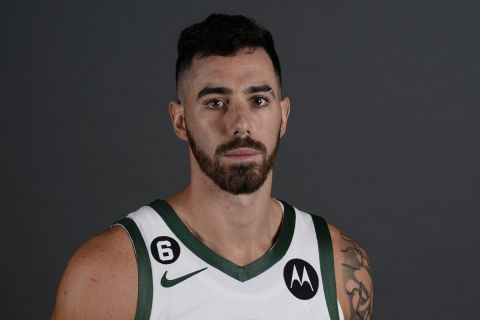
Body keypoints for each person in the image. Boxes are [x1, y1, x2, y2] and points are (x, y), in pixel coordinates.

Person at [52, 13, 373, 320]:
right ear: (180, 120)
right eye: (215, 102)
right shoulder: (111, 271)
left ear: (283, 116)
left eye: (258, 100)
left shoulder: (338, 263)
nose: (240, 124)